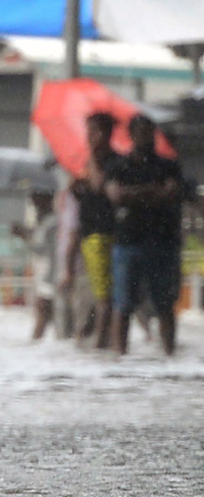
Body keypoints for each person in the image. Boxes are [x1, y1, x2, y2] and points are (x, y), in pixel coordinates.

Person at [104, 114, 185, 355]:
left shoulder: (168, 165)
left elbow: (170, 192)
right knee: (123, 304)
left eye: (148, 132)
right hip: (128, 241)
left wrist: (134, 194)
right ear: (130, 135)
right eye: (139, 132)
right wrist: (152, 191)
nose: (144, 138)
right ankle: (120, 356)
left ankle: (170, 353)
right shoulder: (119, 166)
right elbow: (115, 195)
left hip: (163, 242)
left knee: (164, 304)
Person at [66, 112, 120, 348]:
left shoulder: (114, 163)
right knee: (98, 293)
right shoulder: (90, 163)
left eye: (95, 131)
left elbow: (101, 188)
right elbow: (88, 195)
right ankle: (100, 340)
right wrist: (77, 187)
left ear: (107, 133)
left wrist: (92, 164)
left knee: (104, 296)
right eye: (88, 131)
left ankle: (102, 342)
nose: (89, 137)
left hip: (106, 234)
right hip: (88, 232)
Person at [11, 189, 58, 341]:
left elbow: (41, 249)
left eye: (35, 201)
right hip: (48, 278)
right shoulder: (47, 222)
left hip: (52, 277)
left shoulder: (52, 223)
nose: (33, 205)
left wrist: (24, 236)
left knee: (43, 313)